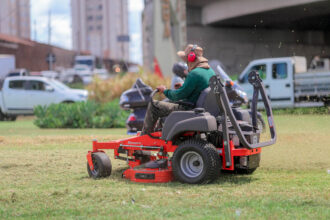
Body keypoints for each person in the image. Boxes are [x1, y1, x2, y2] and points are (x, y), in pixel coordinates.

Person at [141, 44, 215, 135]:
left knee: (154, 105)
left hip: (189, 108)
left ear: (191, 58)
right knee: (164, 105)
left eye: (186, 59)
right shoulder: (210, 71)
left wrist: (165, 90)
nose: (186, 63)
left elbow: (178, 95)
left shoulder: (194, 74)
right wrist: (183, 86)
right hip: (201, 108)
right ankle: (160, 132)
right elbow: (198, 88)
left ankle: (144, 137)